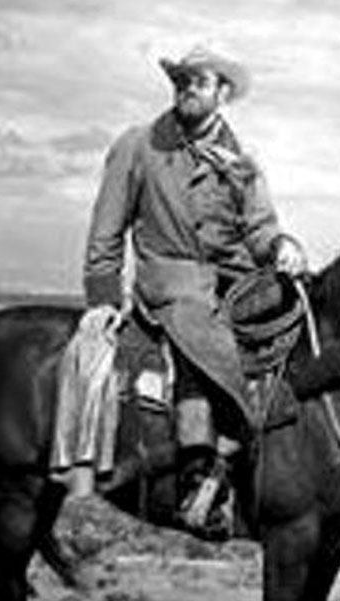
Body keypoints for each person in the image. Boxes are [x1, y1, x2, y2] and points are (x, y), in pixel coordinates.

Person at [83, 45, 303, 537]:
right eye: (181, 80)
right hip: (172, 280)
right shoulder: (139, 147)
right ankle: (197, 477)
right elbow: (106, 230)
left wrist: (283, 247)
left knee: (295, 318)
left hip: (235, 279)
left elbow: (261, 230)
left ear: (222, 94)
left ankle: (284, 471)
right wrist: (102, 297)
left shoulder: (242, 163)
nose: (187, 88)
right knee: (200, 334)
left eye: (199, 82)